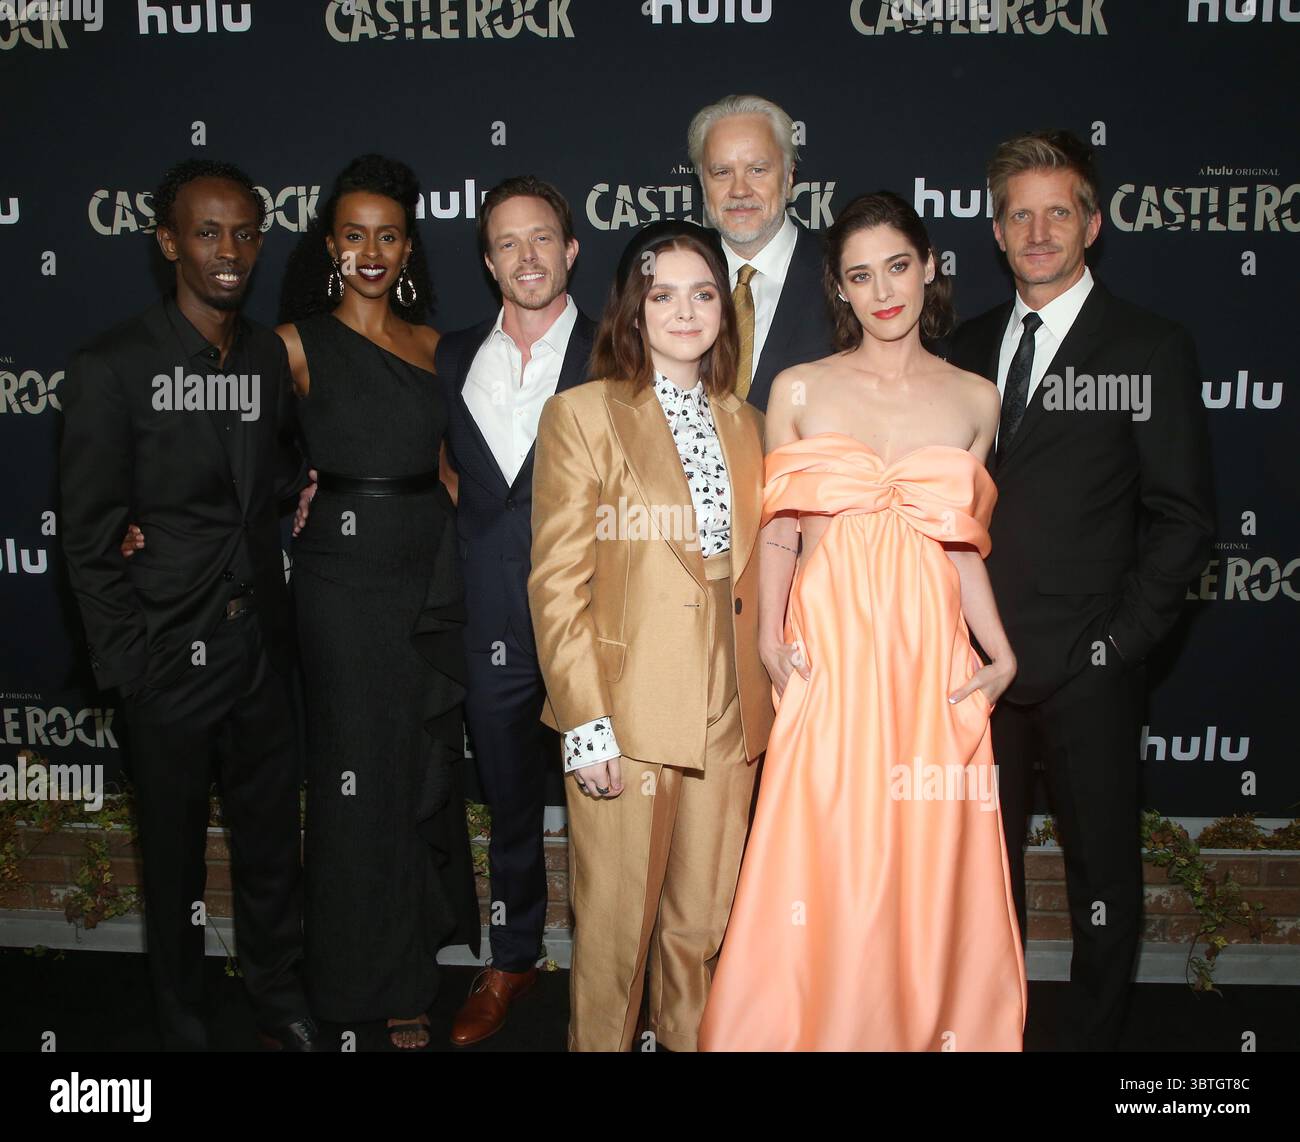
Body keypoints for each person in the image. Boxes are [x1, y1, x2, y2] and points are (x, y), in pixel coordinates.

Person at [699, 191, 1027, 1052]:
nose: (883, 289)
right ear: (837, 290)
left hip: (930, 662)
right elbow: (781, 535)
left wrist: (1000, 657)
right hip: (831, 659)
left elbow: (961, 548)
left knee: (924, 861)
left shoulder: (977, 400)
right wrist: (772, 640)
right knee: (826, 855)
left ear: (928, 269)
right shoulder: (800, 387)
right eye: (859, 275)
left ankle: (919, 1028)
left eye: (897, 266)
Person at [947, 131, 1214, 1050]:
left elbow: (1182, 519)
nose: (1039, 230)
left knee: (1104, 875)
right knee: (984, 871)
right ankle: (996, 1027)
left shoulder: (1147, 345)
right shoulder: (963, 345)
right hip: (977, 667)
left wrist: (1119, 644)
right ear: (995, 231)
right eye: (1019, 213)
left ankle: (1099, 1040)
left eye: (1059, 211)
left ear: (1092, 225)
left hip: (1091, 667)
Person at [61, 159, 316, 1051]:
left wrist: (303, 485)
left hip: (258, 654)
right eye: (207, 233)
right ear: (168, 242)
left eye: (246, 232)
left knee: (267, 843)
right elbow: (89, 537)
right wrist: (128, 669)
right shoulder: (112, 368)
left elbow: (272, 474)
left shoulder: (264, 357)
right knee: (170, 858)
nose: (230, 251)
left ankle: (277, 989)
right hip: (167, 656)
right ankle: (180, 1014)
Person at [528, 220, 774, 1052]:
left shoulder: (752, 422)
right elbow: (557, 583)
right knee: (614, 931)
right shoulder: (582, 414)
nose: (684, 310)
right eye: (662, 294)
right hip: (625, 710)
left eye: (703, 293)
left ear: (725, 311)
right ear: (633, 312)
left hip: (730, 703)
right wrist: (583, 723)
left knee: (702, 922)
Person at [279, 154, 478, 1049]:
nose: (370, 250)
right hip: (337, 587)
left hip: (423, 576)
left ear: (407, 249)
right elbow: (247, 463)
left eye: (387, 235)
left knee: (410, 778)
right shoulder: (292, 345)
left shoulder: (437, 351)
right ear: (331, 243)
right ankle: (341, 978)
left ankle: (406, 980)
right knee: (348, 776)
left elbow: (452, 473)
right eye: (353, 234)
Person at [433, 176, 596, 1047]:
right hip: (488, 621)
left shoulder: (618, 348)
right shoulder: (452, 354)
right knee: (507, 805)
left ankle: (610, 969)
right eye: (507, 242)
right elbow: (435, 467)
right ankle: (514, 954)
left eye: (543, 238)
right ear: (489, 260)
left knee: (607, 804)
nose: (526, 255)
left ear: (571, 251)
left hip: (592, 622)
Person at [687, 93, 834, 411]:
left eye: (757, 170)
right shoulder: (671, 279)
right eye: (722, 172)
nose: (740, 190)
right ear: (702, 182)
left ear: (789, 177)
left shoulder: (842, 273)